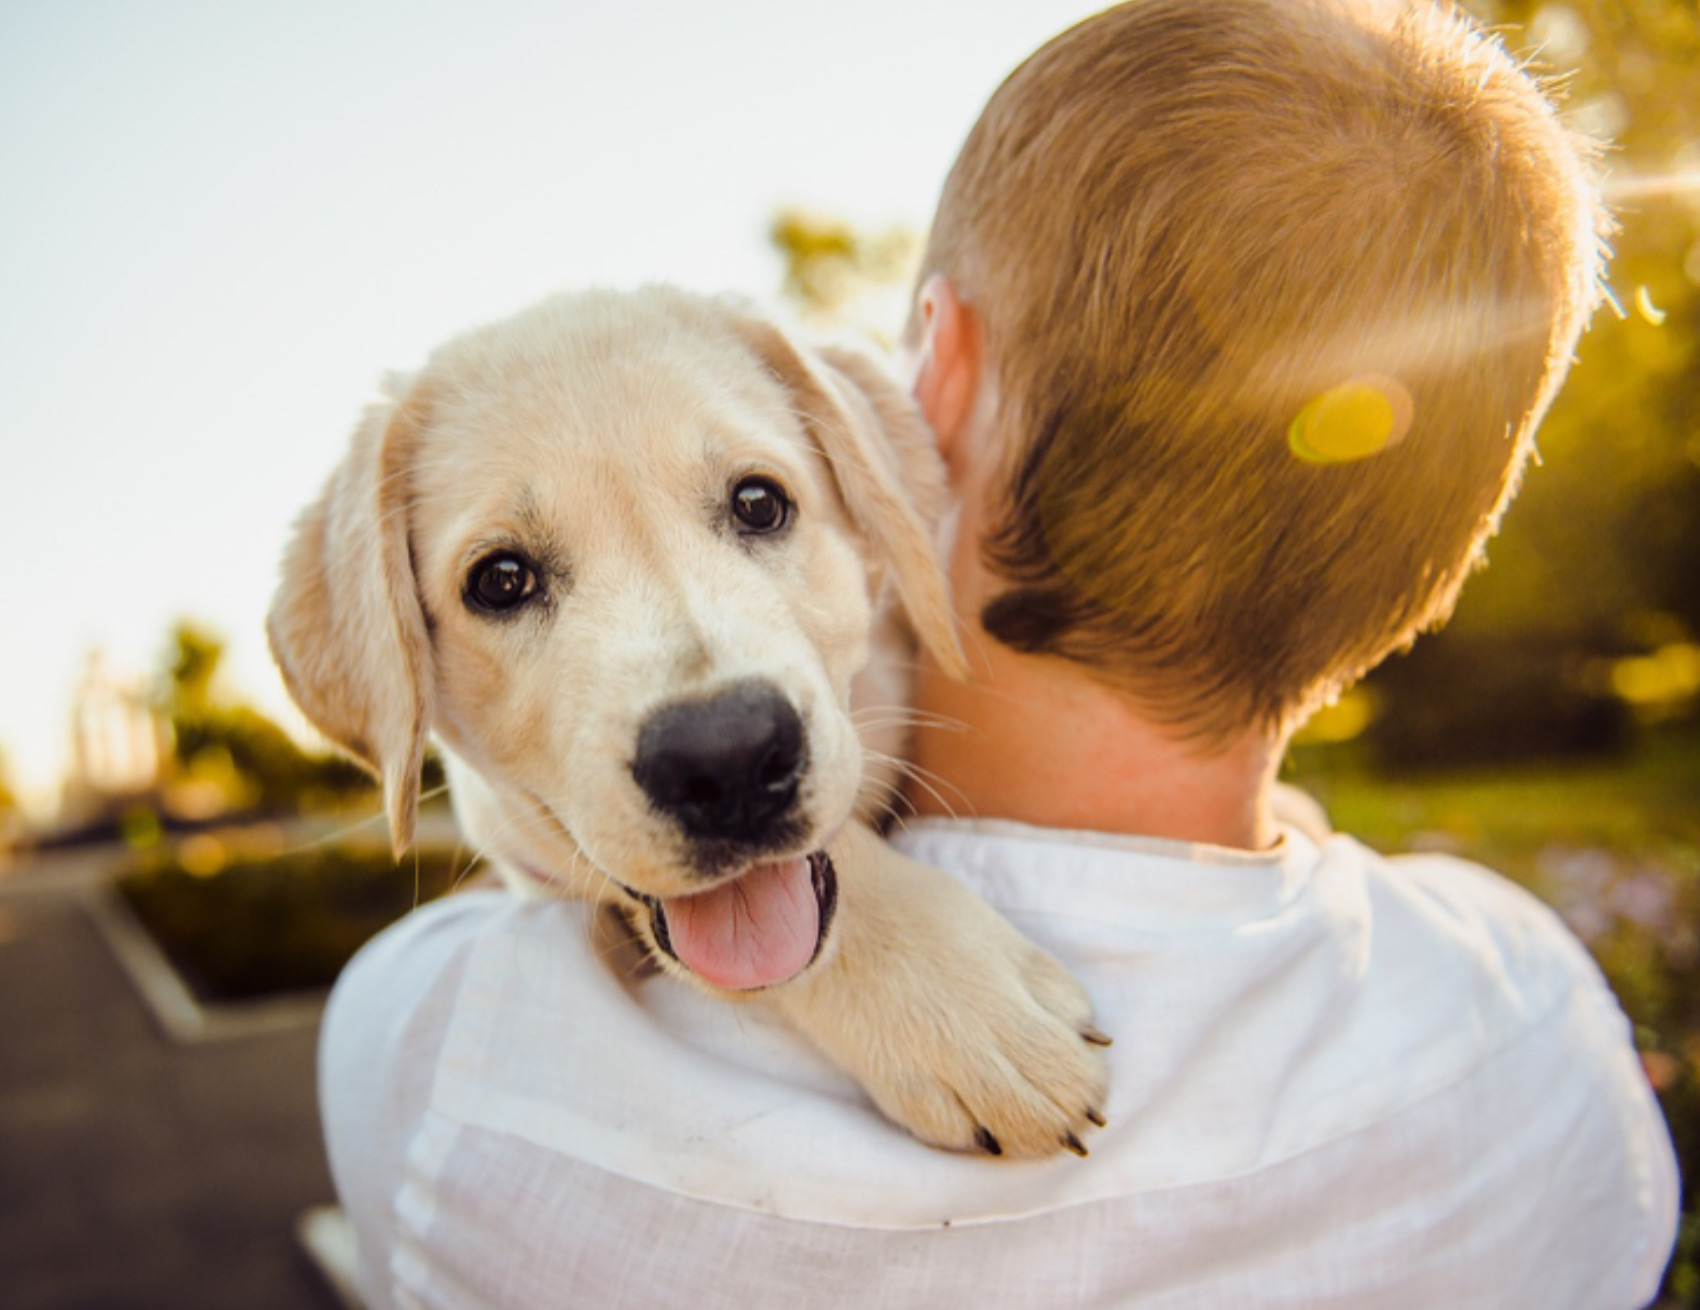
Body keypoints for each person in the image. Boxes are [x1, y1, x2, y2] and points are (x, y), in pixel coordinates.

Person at [317, 2, 1679, 1306]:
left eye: (755, 505)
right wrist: (855, 921)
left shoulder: (444, 1063)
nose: (708, 700)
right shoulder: (1539, 1021)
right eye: (508, 579)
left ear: (933, 386)